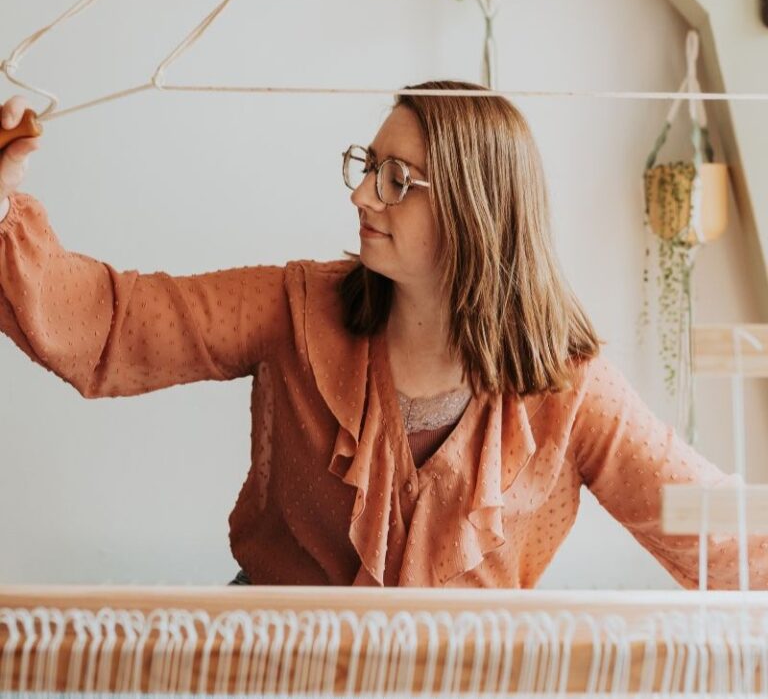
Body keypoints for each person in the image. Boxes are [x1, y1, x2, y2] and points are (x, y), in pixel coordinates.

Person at [0, 80, 765, 589]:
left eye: (397, 178)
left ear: (474, 208)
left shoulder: (571, 384)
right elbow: (116, 325)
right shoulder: (292, 304)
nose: (363, 194)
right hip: (267, 693)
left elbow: (708, 526)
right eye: (368, 166)